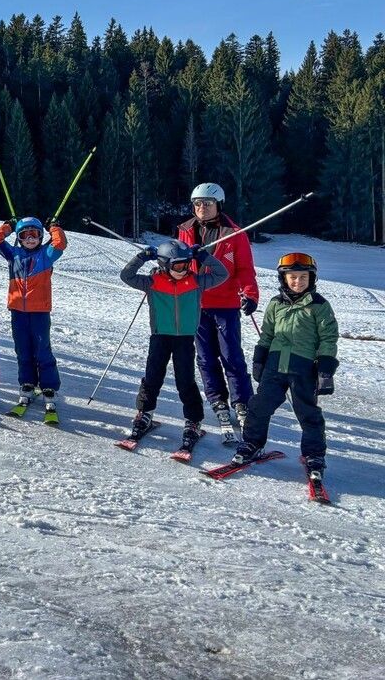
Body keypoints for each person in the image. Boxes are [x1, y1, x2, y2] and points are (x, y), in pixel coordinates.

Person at [234, 253, 339, 483]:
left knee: (308, 413)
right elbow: (267, 335)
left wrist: (325, 369)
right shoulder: (275, 303)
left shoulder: (319, 305)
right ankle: (252, 443)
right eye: (293, 277)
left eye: (303, 277)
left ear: (311, 279)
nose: (298, 281)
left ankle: (314, 455)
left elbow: (328, 338)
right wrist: (259, 360)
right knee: (259, 406)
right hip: (275, 365)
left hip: (304, 368)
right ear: (284, 278)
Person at [120, 240, 230, 448]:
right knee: (152, 378)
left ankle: (193, 421)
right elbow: (127, 276)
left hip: (185, 339)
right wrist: (141, 257)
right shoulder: (152, 282)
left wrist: (203, 257)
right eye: (177, 266)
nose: (183, 270)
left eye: (186, 264)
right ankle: (145, 413)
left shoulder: (196, 282)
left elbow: (221, 274)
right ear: (164, 264)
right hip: (160, 337)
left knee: (185, 381)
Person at [177, 182, 260, 435]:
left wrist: (250, 294)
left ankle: (242, 402)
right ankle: (217, 398)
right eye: (197, 204)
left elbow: (245, 269)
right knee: (205, 357)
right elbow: (177, 263)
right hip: (196, 303)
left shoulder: (234, 234)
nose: (202, 208)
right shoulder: (185, 230)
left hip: (226, 304)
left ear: (219, 205)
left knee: (231, 355)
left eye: (208, 203)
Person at [0, 216, 68, 418]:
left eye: (34, 234)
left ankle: (49, 386)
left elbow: (60, 244)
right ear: (19, 238)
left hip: (39, 311)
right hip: (18, 311)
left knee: (42, 349)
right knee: (23, 349)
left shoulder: (46, 255)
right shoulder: (13, 254)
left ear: (41, 237)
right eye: (25, 235)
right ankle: (27, 383)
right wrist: (8, 226)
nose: (30, 239)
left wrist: (54, 227)